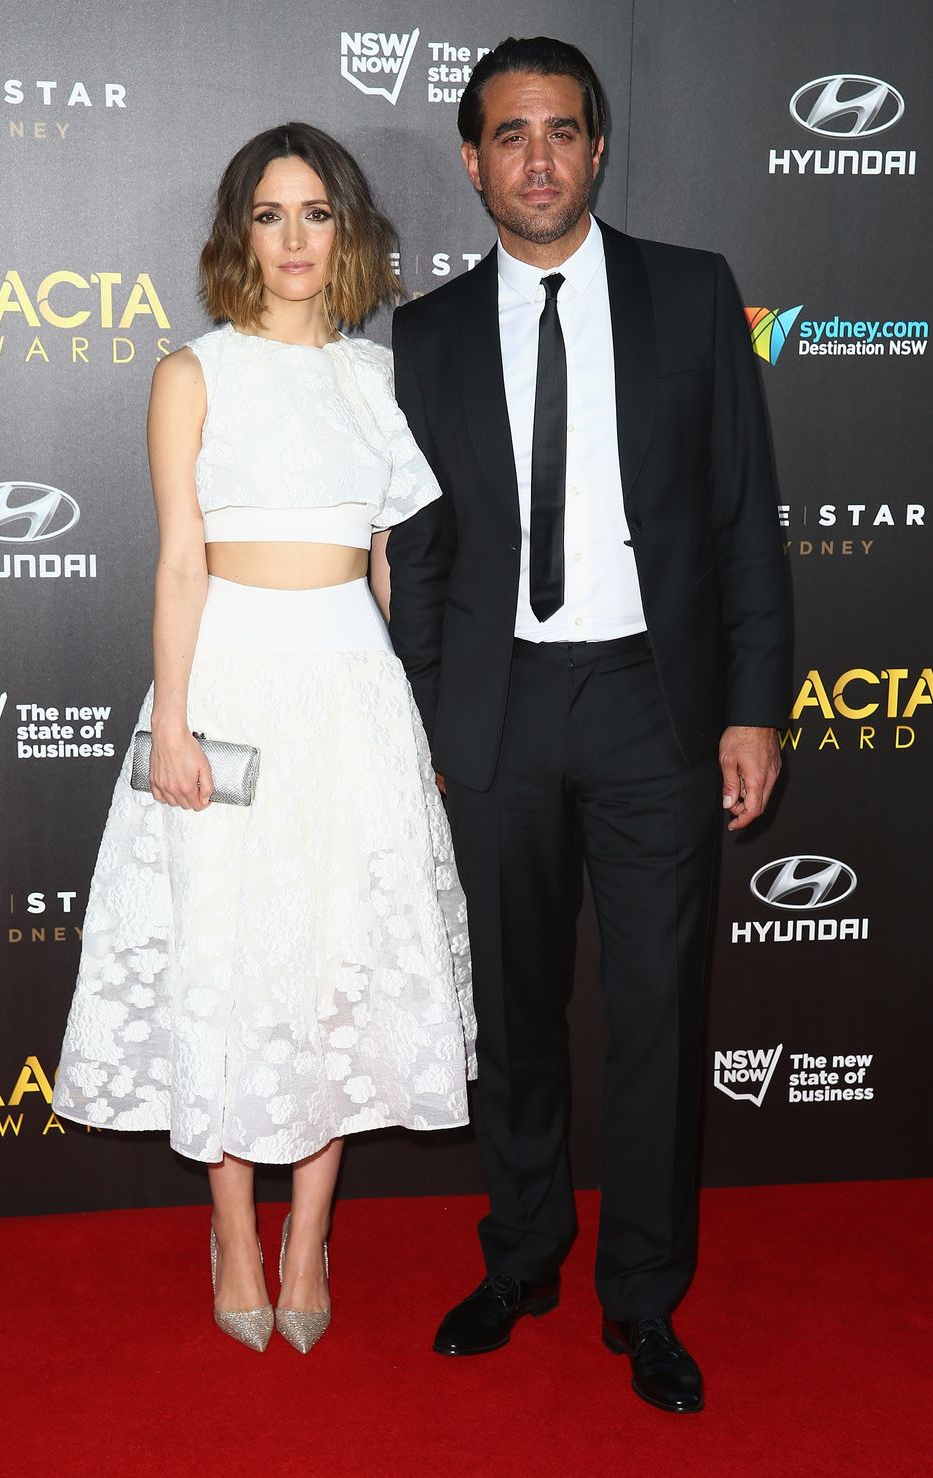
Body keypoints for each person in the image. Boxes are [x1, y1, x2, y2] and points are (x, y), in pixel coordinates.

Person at [387, 37, 789, 1413]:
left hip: (652, 703)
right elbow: (424, 555)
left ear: (599, 150)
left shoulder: (691, 294)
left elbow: (745, 522)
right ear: (472, 158)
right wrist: (433, 709)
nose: (539, 158)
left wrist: (753, 707)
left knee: (660, 1010)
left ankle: (643, 1297)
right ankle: (521, 1256)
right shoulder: (428, 332)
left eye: (563, 131)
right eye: (511, 135)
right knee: (516, 1004)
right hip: (497, 705)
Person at [53, 123, 476, 1356]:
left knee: (331, 961)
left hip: (352, 689)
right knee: (229, 958)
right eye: (268, 215)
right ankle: (234, 1228)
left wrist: (420, 723)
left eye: (315, 214)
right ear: (238, 234)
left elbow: (399, 572)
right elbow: (180, 560)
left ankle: (309, 1236)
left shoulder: (379, 379)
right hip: (229, 682)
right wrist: (173, 720)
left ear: (349, 231)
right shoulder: (195, 373)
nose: (293, 239)